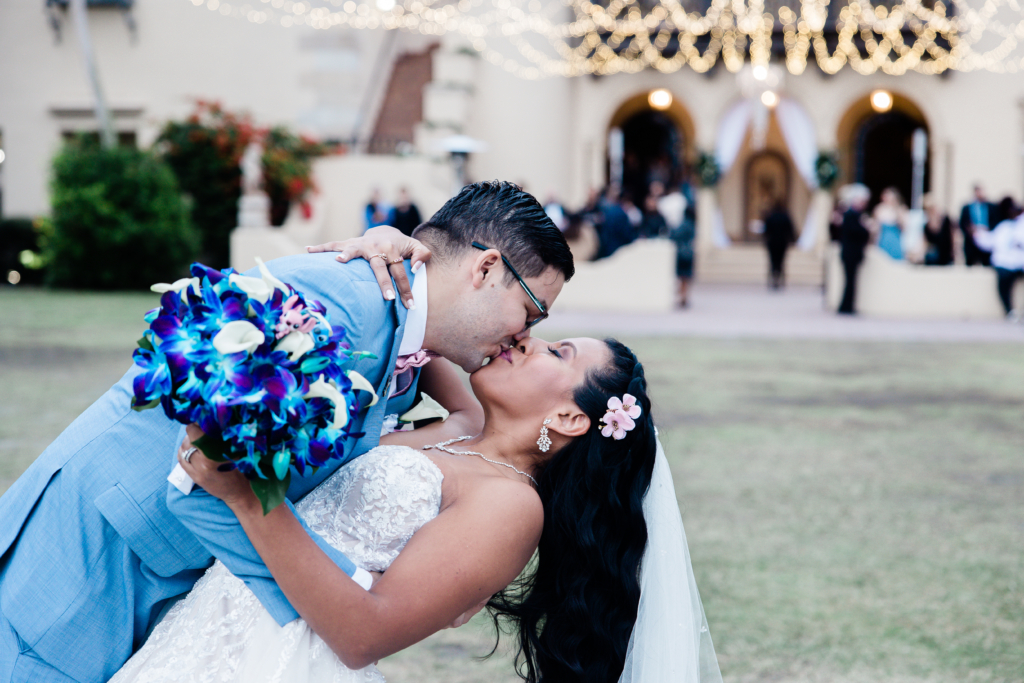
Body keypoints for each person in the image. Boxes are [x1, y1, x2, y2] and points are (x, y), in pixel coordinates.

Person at [0, 181, 574, 683]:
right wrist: (352, 586)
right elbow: (204, 475)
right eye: (532, 312)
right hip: (90, 562)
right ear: (486, 267)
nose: (525, 335)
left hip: (157, 577)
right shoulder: (337, 311)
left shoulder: (397, 325)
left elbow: (468, 421)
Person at [112, 335, 722, 683]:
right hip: (213, 619)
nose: (528, 341)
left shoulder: (511, 507)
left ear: (568, 417)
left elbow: (363, 634)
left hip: (283, 661)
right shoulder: (463, 431)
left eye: (557, 353)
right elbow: (425, 325)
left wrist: (250, 502)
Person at [973, 197, 1024, 319]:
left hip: (1019, 263)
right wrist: (976, 233)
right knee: (1003, 285)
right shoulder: (1004, 227)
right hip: (1004, 265)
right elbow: (989, 242)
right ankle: (1010, 311)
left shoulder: (1020, 225)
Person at [837, 184, 872, 315]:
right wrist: (866, 228)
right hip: (849, 254)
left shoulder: (855, 215)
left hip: (852, 254)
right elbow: (855, 232)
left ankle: (848, 306)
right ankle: (846, 307)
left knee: (851, 281)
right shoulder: (850, 215)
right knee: (849, 281)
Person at [959, 184, 996, 266]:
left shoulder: (991, 206)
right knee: (970, 262)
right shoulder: (967, 207)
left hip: (987, 236)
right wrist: (970, 231)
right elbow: (962, 223)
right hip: (971, 239)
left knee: (986, 262)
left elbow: (995, 221)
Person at [762, 201, 795, 289]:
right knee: (781, 262)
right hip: (782, 242)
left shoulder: (770, 217)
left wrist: (765, 240)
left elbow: (766, 230)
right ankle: (779, 280)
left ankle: (774, 279)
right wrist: (792, 240)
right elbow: (790, 229)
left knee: (773, 262)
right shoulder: (785, 217)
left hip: (772, 242)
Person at [873, 187, 907, 261]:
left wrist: (896, 209)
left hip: (894, 237)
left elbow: (904, 227)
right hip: (883, 237)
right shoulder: (879, 209)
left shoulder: (900, 209)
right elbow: (876, 227)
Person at [922, 194, 954, 266]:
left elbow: (953, 237)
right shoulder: (926, 226)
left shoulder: (946, 220)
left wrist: (955, 253)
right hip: (934, 260)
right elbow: (925, 243)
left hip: (946, 256)